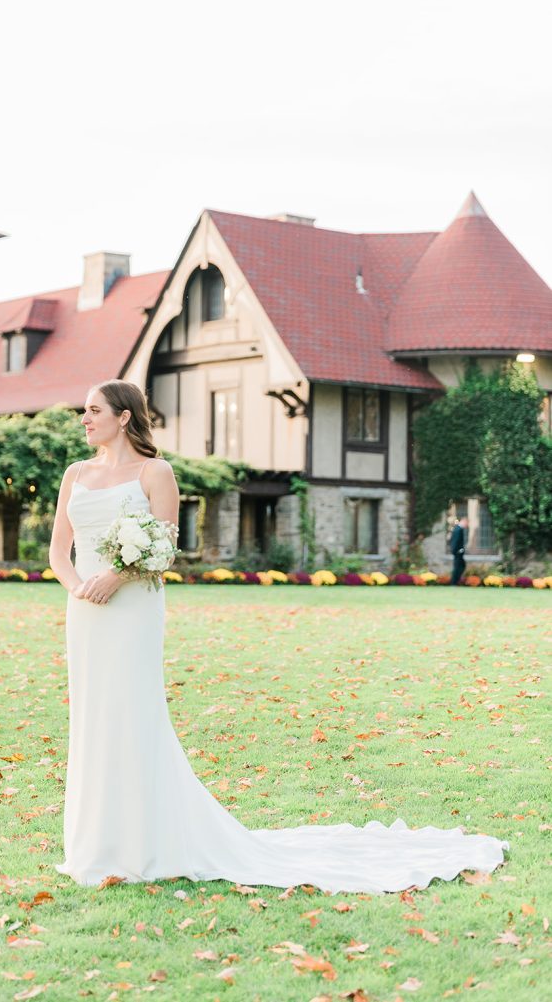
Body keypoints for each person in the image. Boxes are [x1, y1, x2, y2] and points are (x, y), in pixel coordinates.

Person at [49, 379, 508, 892]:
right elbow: (58, 551)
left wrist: (115, 577)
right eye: (84, 410)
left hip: (133, 606)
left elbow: (164, 548)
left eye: (93, 410)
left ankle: (144, 840)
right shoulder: (76, 474)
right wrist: (79, 588)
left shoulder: (155, 473)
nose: (84, 419)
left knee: (133, 712)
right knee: (92, 714)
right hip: (86, 611)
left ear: (123, 416)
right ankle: (97, 842)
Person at [450, 515, 468, 585]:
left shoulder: (458, 529)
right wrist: (456, 551)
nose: (467, 525)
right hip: (458, 552)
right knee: (457, 567)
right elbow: (455, 541)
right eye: (467, 523)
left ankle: (456, 581)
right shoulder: (458, 529)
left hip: (458, 552)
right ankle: (454, 582)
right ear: (464, 521)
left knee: (461, 566)